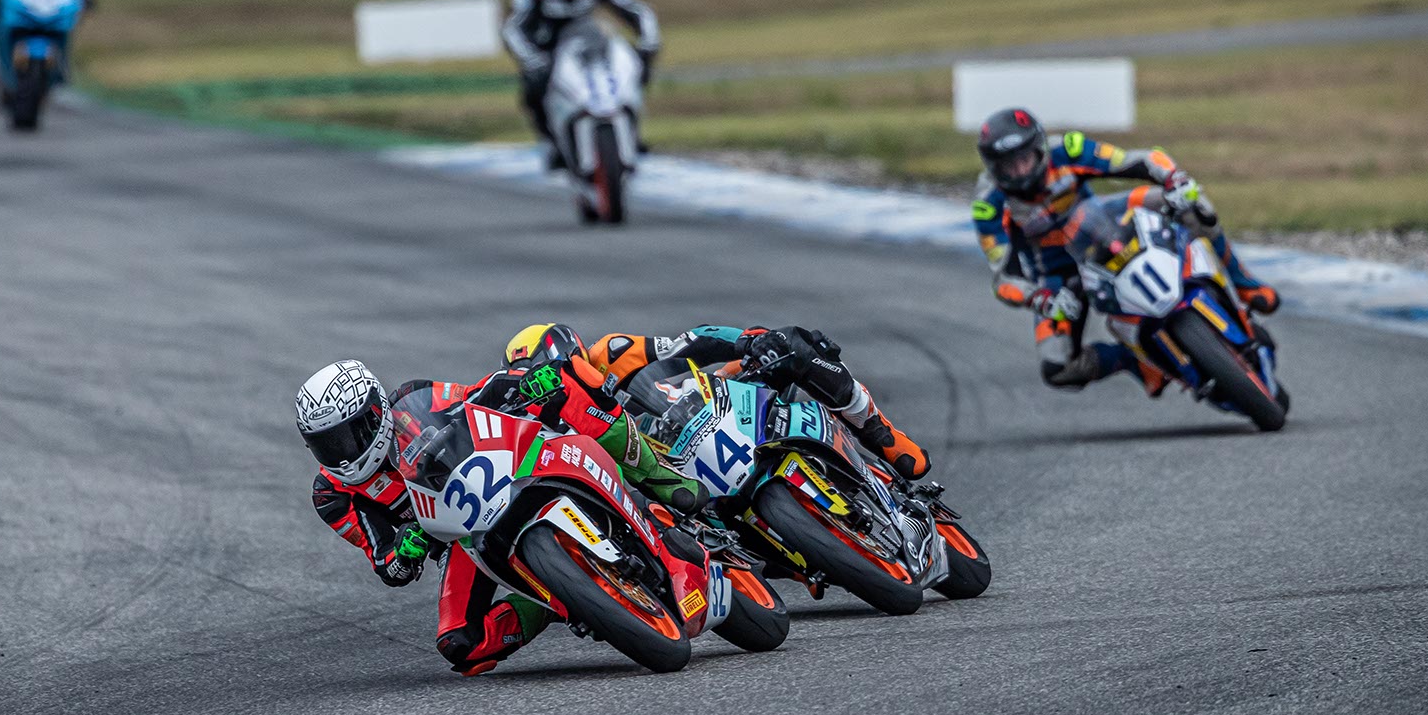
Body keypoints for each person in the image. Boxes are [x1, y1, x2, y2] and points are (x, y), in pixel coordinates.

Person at [295, 345, 711, 677]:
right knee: (461, 644)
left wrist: (522, 382)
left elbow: (476, 397)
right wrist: (404, 552)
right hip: (461, 539)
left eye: (345, 437)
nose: (340, 454)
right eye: (325, 445)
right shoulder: (332, 495)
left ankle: (659, 479)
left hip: (507, 467)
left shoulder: (411, 400)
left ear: (374, 414)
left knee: (567, 381)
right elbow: (386, 564)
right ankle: (556, 598)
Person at [971, 107, 1278, 393]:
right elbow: (1004, 279)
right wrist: (1038, 298)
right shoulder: (989, 205)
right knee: (1058, 368)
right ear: (993, 168)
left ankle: (1244, 283)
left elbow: (1136, 160)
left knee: (1192, 203)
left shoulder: (1068, 150)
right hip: (1059, 274)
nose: (1020, 171)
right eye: (1008, 166)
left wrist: (1173, 178)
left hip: (1106, 225)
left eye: (1025, 159)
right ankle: (1137, 361)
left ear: (1039, 147)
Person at [546, 322, 933, 480]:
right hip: (676, 477)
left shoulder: (611, 352)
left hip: (713, 404)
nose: (566, 386)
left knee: (789, 344)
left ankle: (881, 433)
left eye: (565, 371)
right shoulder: (560, 437)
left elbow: (689, 342)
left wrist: (747, 343)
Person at [501, 0, 660, 167]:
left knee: (634, 67)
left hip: (589, 41)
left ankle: (629, 132)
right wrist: (531, 58)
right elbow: (513, 26)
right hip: (547, 47)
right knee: (533, 89)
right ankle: (553, 142)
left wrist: (648, 42)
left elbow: (635, 9)